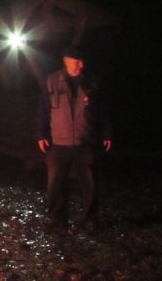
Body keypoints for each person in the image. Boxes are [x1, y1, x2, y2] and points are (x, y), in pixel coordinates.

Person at [37, 45, 112, 232]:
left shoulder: (92, 82)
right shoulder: (51, 81)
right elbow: (43, 110)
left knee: (90, 183)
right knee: (56, 183)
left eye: (82, 60)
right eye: (76, 60)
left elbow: (103, 110)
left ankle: (90, 219)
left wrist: (107, 133)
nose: (81, 64)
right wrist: (41, 133)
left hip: (85, 140)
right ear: (66, 60)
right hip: (58, 142)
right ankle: (57, 220)